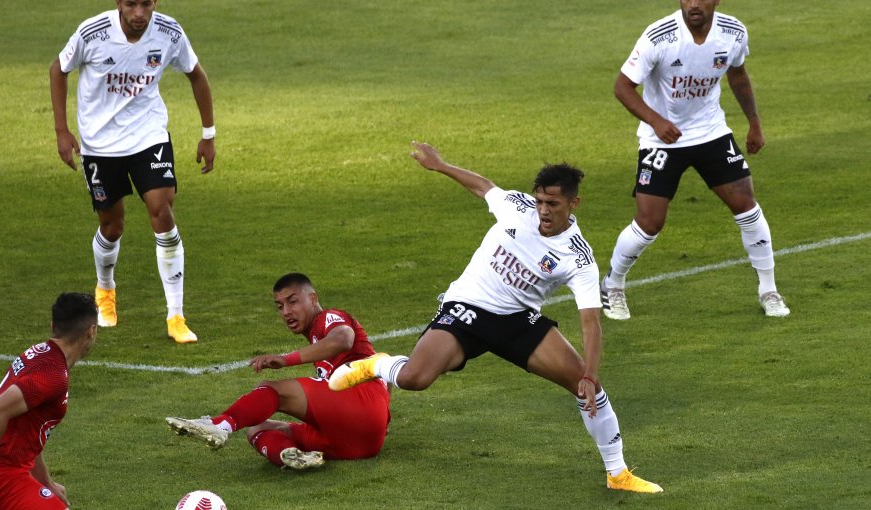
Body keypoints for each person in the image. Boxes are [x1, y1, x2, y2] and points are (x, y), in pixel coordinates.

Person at [329, 142, 662, 493]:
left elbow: (590, 322)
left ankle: (618, 473)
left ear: (573, 204)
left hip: (516, 319)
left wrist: (591, 375)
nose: (543, 210)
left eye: (553, 204)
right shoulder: (518, 208)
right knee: (414, 378)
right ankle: (376, 365)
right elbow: (483, 186)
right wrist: (440, 165)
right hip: (468, 306)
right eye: (540, 201)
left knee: (584, 385)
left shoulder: (577, 257)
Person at [601, 0, 789, 320]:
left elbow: (738, 75)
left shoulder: (733, 32)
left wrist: (754, 123)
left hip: (710, 133)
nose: (693, 4)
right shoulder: (658, 36)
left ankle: (768, 290)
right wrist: (656, 121)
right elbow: (623, 87)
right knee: (650, 221)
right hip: (662, 140)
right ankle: (612, 284)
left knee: (746, 204)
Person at [49, 0, 216, 343]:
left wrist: (208, 134)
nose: (139, 13)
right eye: (131, 4)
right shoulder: (92, 33)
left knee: (162, 209)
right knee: (112, 226)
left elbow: (196, 74)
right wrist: (61, 131)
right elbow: (58, 69)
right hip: (100, 145)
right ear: (118, 4)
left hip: (148, 136)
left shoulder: (168, 32)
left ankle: (176, 316)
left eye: (146, 4)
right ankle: (106, 290)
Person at [166, 273, 391, 470]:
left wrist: (285, 360)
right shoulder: (321, 341)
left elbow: (343, 339)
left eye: (293, 302)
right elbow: (385, 369)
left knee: (271, 389)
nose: (286, 312)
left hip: (360, 406)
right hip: (359, 443)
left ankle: (219, 425)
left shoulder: (329, 317)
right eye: (280, 306)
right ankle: (290, 455)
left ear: (313, 299)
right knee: (257, 427)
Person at [0, 293, 98, 510]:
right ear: (91, 331)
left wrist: (45, 481)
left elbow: (28, 428)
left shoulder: (42, 353)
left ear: (53, 325)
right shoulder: (52, 375)